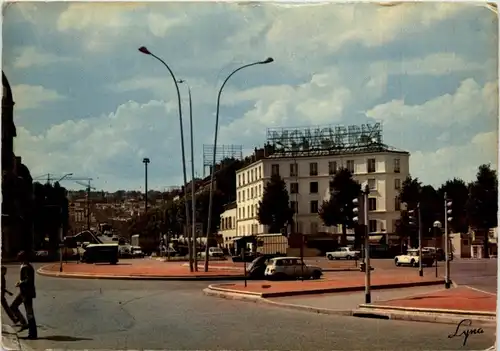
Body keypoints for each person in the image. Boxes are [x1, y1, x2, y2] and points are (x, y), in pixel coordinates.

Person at [10, 251, 37, 339]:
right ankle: (24, 323)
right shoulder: (26, 266)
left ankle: (32, 334)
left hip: (26, 293)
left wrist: (20, 283)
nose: (17, 258)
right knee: (14, 306)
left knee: (30, 314)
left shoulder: (26, 267)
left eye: (19, 257)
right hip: (23, 292)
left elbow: (28, 280)